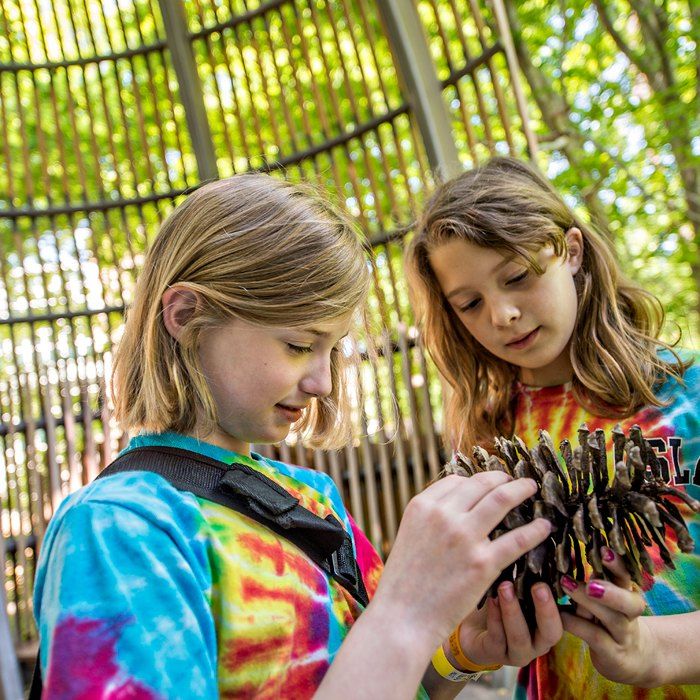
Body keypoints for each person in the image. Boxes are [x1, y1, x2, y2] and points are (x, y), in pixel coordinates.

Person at [32, 174, 557, 699]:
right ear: (187, 315)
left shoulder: (311, 497)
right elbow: (390, 639)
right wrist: (406, 616)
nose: (322, 382)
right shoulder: (119, 527)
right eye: (298, 343)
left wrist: (457, 655)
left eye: (332, 348)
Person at [405, 155, 700, 699]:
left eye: (516, 277)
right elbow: (439, 659)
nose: (501, 315)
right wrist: (465, 650)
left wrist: (651, 654)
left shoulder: (687, 400)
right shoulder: (485, 444)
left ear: (571, 251)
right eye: (470, 304)